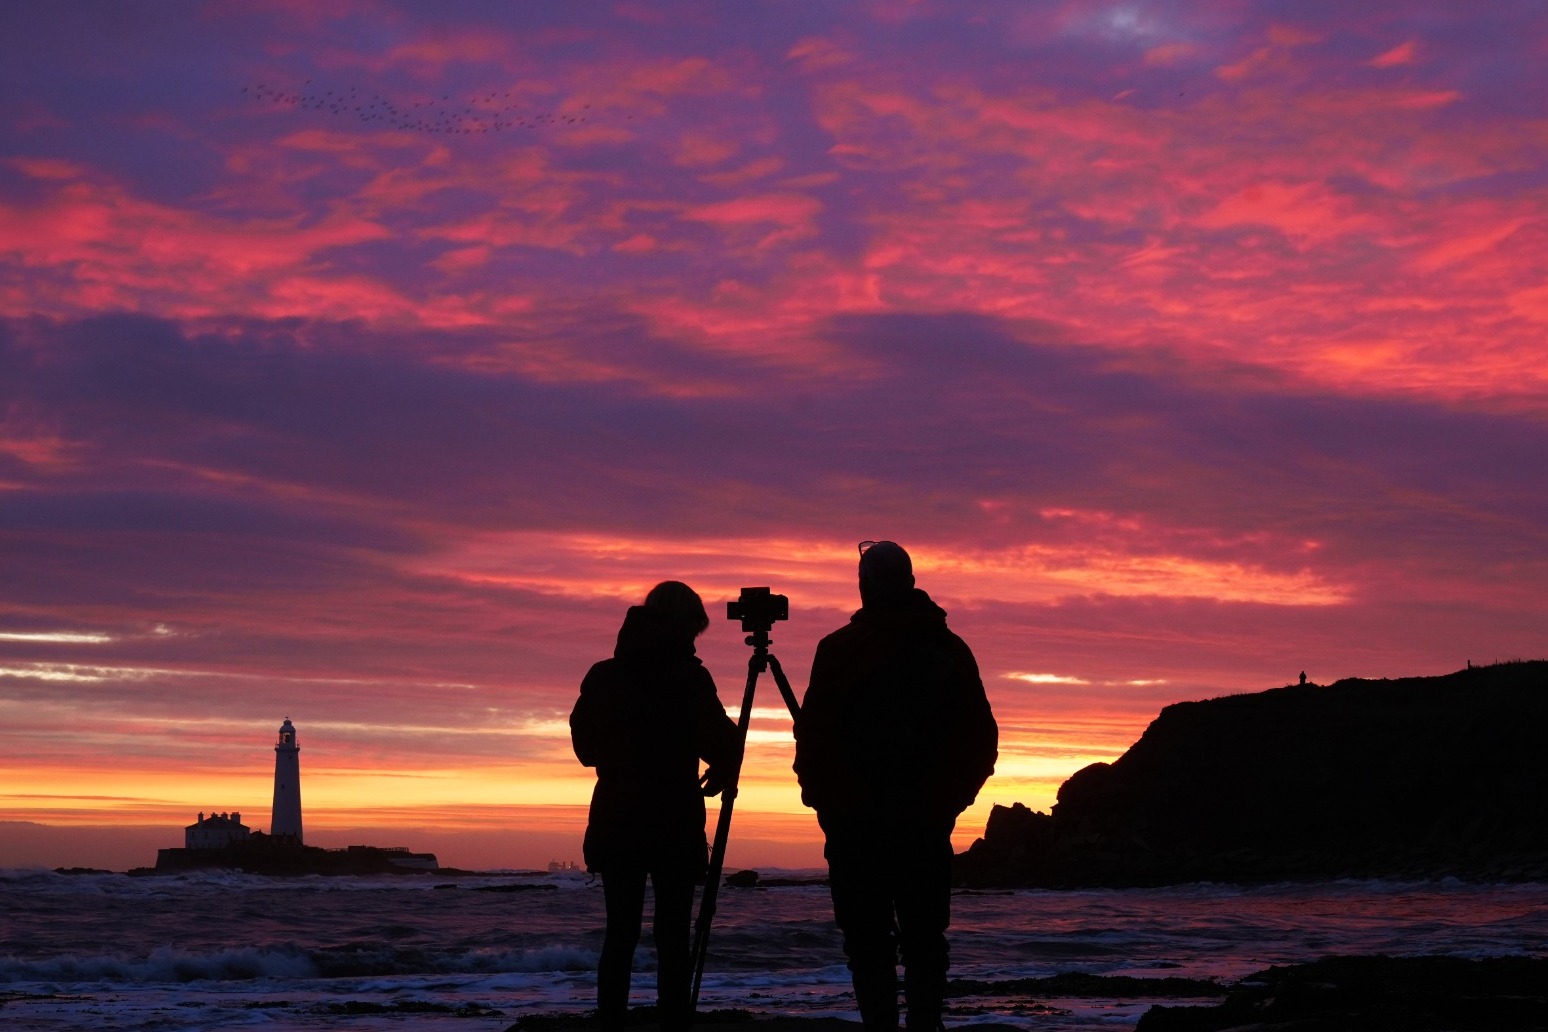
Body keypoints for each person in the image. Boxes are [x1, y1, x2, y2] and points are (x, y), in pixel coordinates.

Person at [794, 541, 998, 1032]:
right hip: (920, 821)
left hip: (859, 823)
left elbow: (812, 737)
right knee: (924, 936)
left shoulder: (840, 649)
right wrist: (948, 803)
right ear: (908, 582)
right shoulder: (947, 649)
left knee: (868, 941)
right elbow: (980, 739)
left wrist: (826, 803)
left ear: (865, 585)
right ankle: (925, 1027)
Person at [571, 581, 740, 1032]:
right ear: (684, 626)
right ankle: (674, 1022)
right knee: (673, 936)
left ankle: (611, 1022)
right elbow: (723, 743)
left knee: (620, 934)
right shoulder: (688, 678)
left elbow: (585, 749)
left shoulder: (603, 676)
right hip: (672, 822)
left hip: (617, 820)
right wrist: (723, 765)